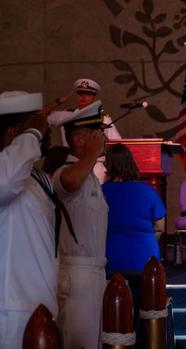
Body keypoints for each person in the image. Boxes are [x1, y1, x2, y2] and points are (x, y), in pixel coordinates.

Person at [0, 91, 59, 348]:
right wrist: (30, 135)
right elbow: (5, 182)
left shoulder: (35, 177)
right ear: (14, 133)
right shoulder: (6, 171)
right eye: (38, 125)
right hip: (13, 310)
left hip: (42, 303)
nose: (45, 131)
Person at [52, 100, 109, 349]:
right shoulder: (64, 172)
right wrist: (93, 153)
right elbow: (70, 182)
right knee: (79, 343)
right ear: (78, 138)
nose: (103, 138)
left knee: (94, 342)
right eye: (96, 133)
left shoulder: (91, 178)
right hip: (77, 272)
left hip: (96, 271)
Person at [102, 143, 166, 273]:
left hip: (111, 258)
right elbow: (160, 227)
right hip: (145, 259)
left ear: (108, 166)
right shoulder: (147, 190)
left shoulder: (101, 192)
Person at [46, 78, 121, 183]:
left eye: (88, 94)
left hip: (95, 165)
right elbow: (40, 116)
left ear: (94, 97)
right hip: (70, 165)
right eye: (80, 93)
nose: (83, 97)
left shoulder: (103, 118)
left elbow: (117, 144)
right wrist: (58, 101)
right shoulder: (66, 115)